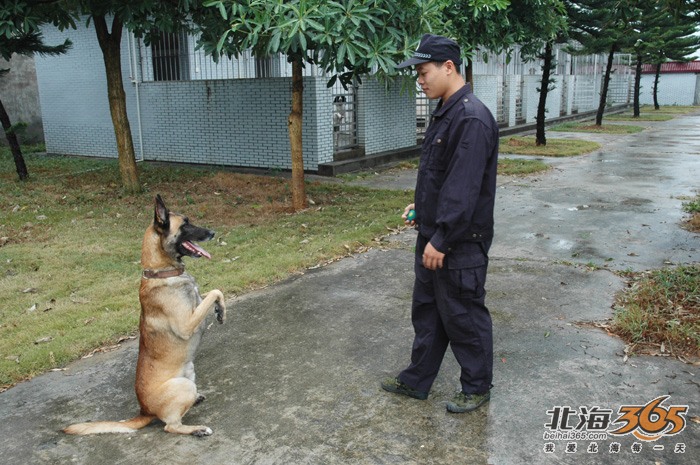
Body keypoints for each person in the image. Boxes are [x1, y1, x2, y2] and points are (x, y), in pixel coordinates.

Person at [381, 34, 499, 413]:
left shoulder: (471, 118)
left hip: (458, 242)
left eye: (424, 71)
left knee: (463, 314)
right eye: (417, 73)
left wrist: (443, 237)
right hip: (435, 234)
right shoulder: (447, 110)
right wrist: (421, 206)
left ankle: (477, 386)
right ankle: (417, 380)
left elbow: (464, 189)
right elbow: (442, 176)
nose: (420, 80)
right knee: (429, 311)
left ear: (449, 67)